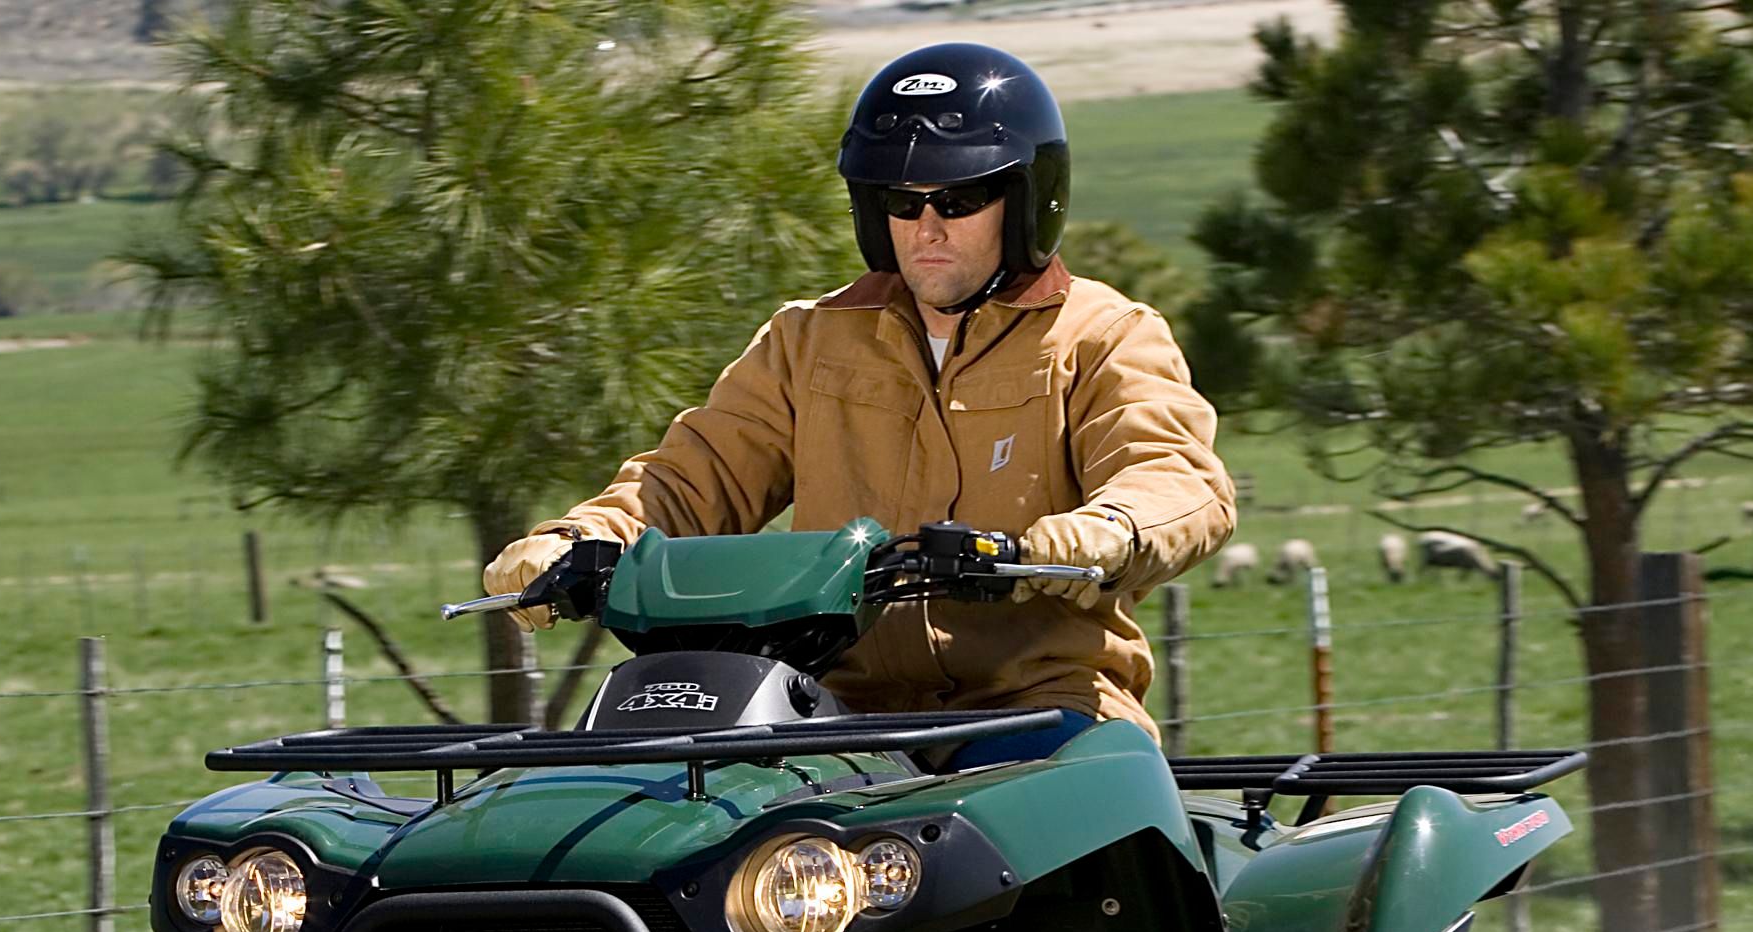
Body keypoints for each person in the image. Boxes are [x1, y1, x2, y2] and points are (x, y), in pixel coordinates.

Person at [481, 42, 1235, 759]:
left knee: (1050, 844)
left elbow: (1177, 480)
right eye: (901, 204)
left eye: (959, 199)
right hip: (834, 714)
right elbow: (690, 479)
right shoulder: (808, 340)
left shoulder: (1102, 335)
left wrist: (1080, 540)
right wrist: (576, 541)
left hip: (1041, 706)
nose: (927, 227)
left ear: (1028, 200)